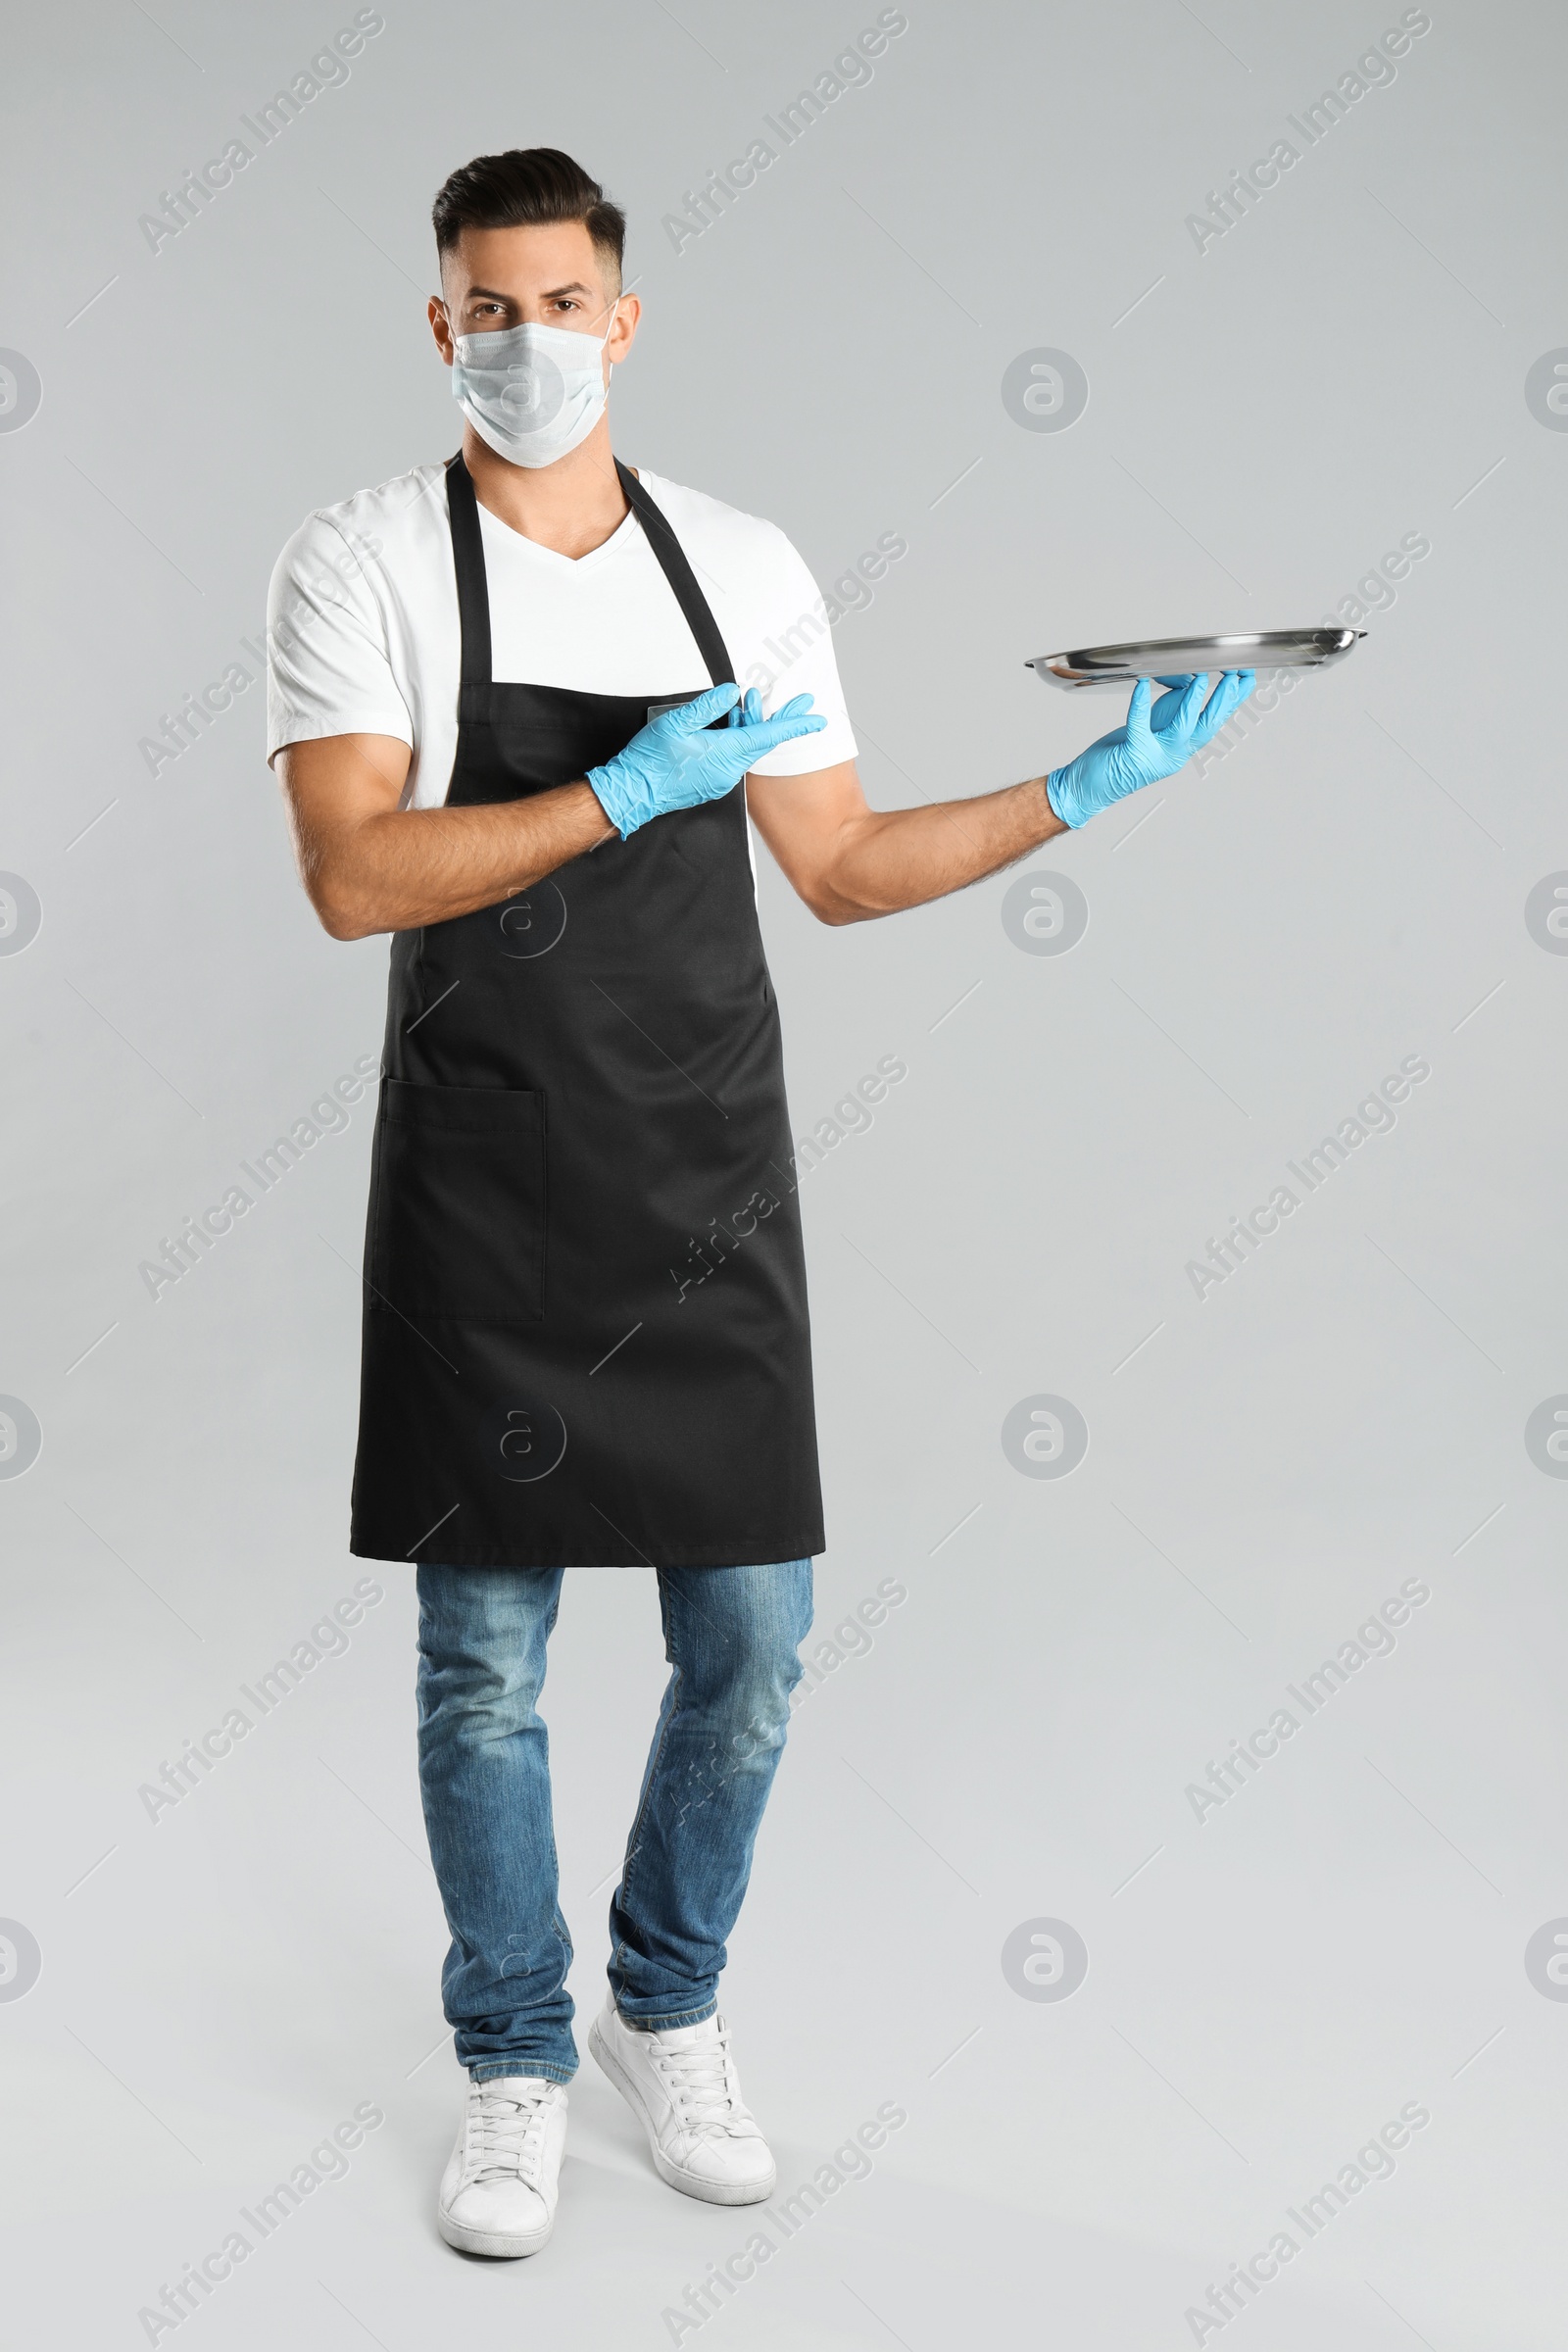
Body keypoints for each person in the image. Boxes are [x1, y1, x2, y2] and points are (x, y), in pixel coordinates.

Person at [267, 144, 1253, 2262]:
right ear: (437, 325)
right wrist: (611, 791)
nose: (521, 339)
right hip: (485, 1186)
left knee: (753, 1645)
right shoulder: (368, 565)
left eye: (558, 303)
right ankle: (515, 2058)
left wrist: (1078, 788)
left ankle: (666, 2005)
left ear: (621, 320)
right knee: (483, 1670)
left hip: (701, 1170)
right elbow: (353, 875)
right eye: (482, 306)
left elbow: (839, 866)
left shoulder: (737, 567)